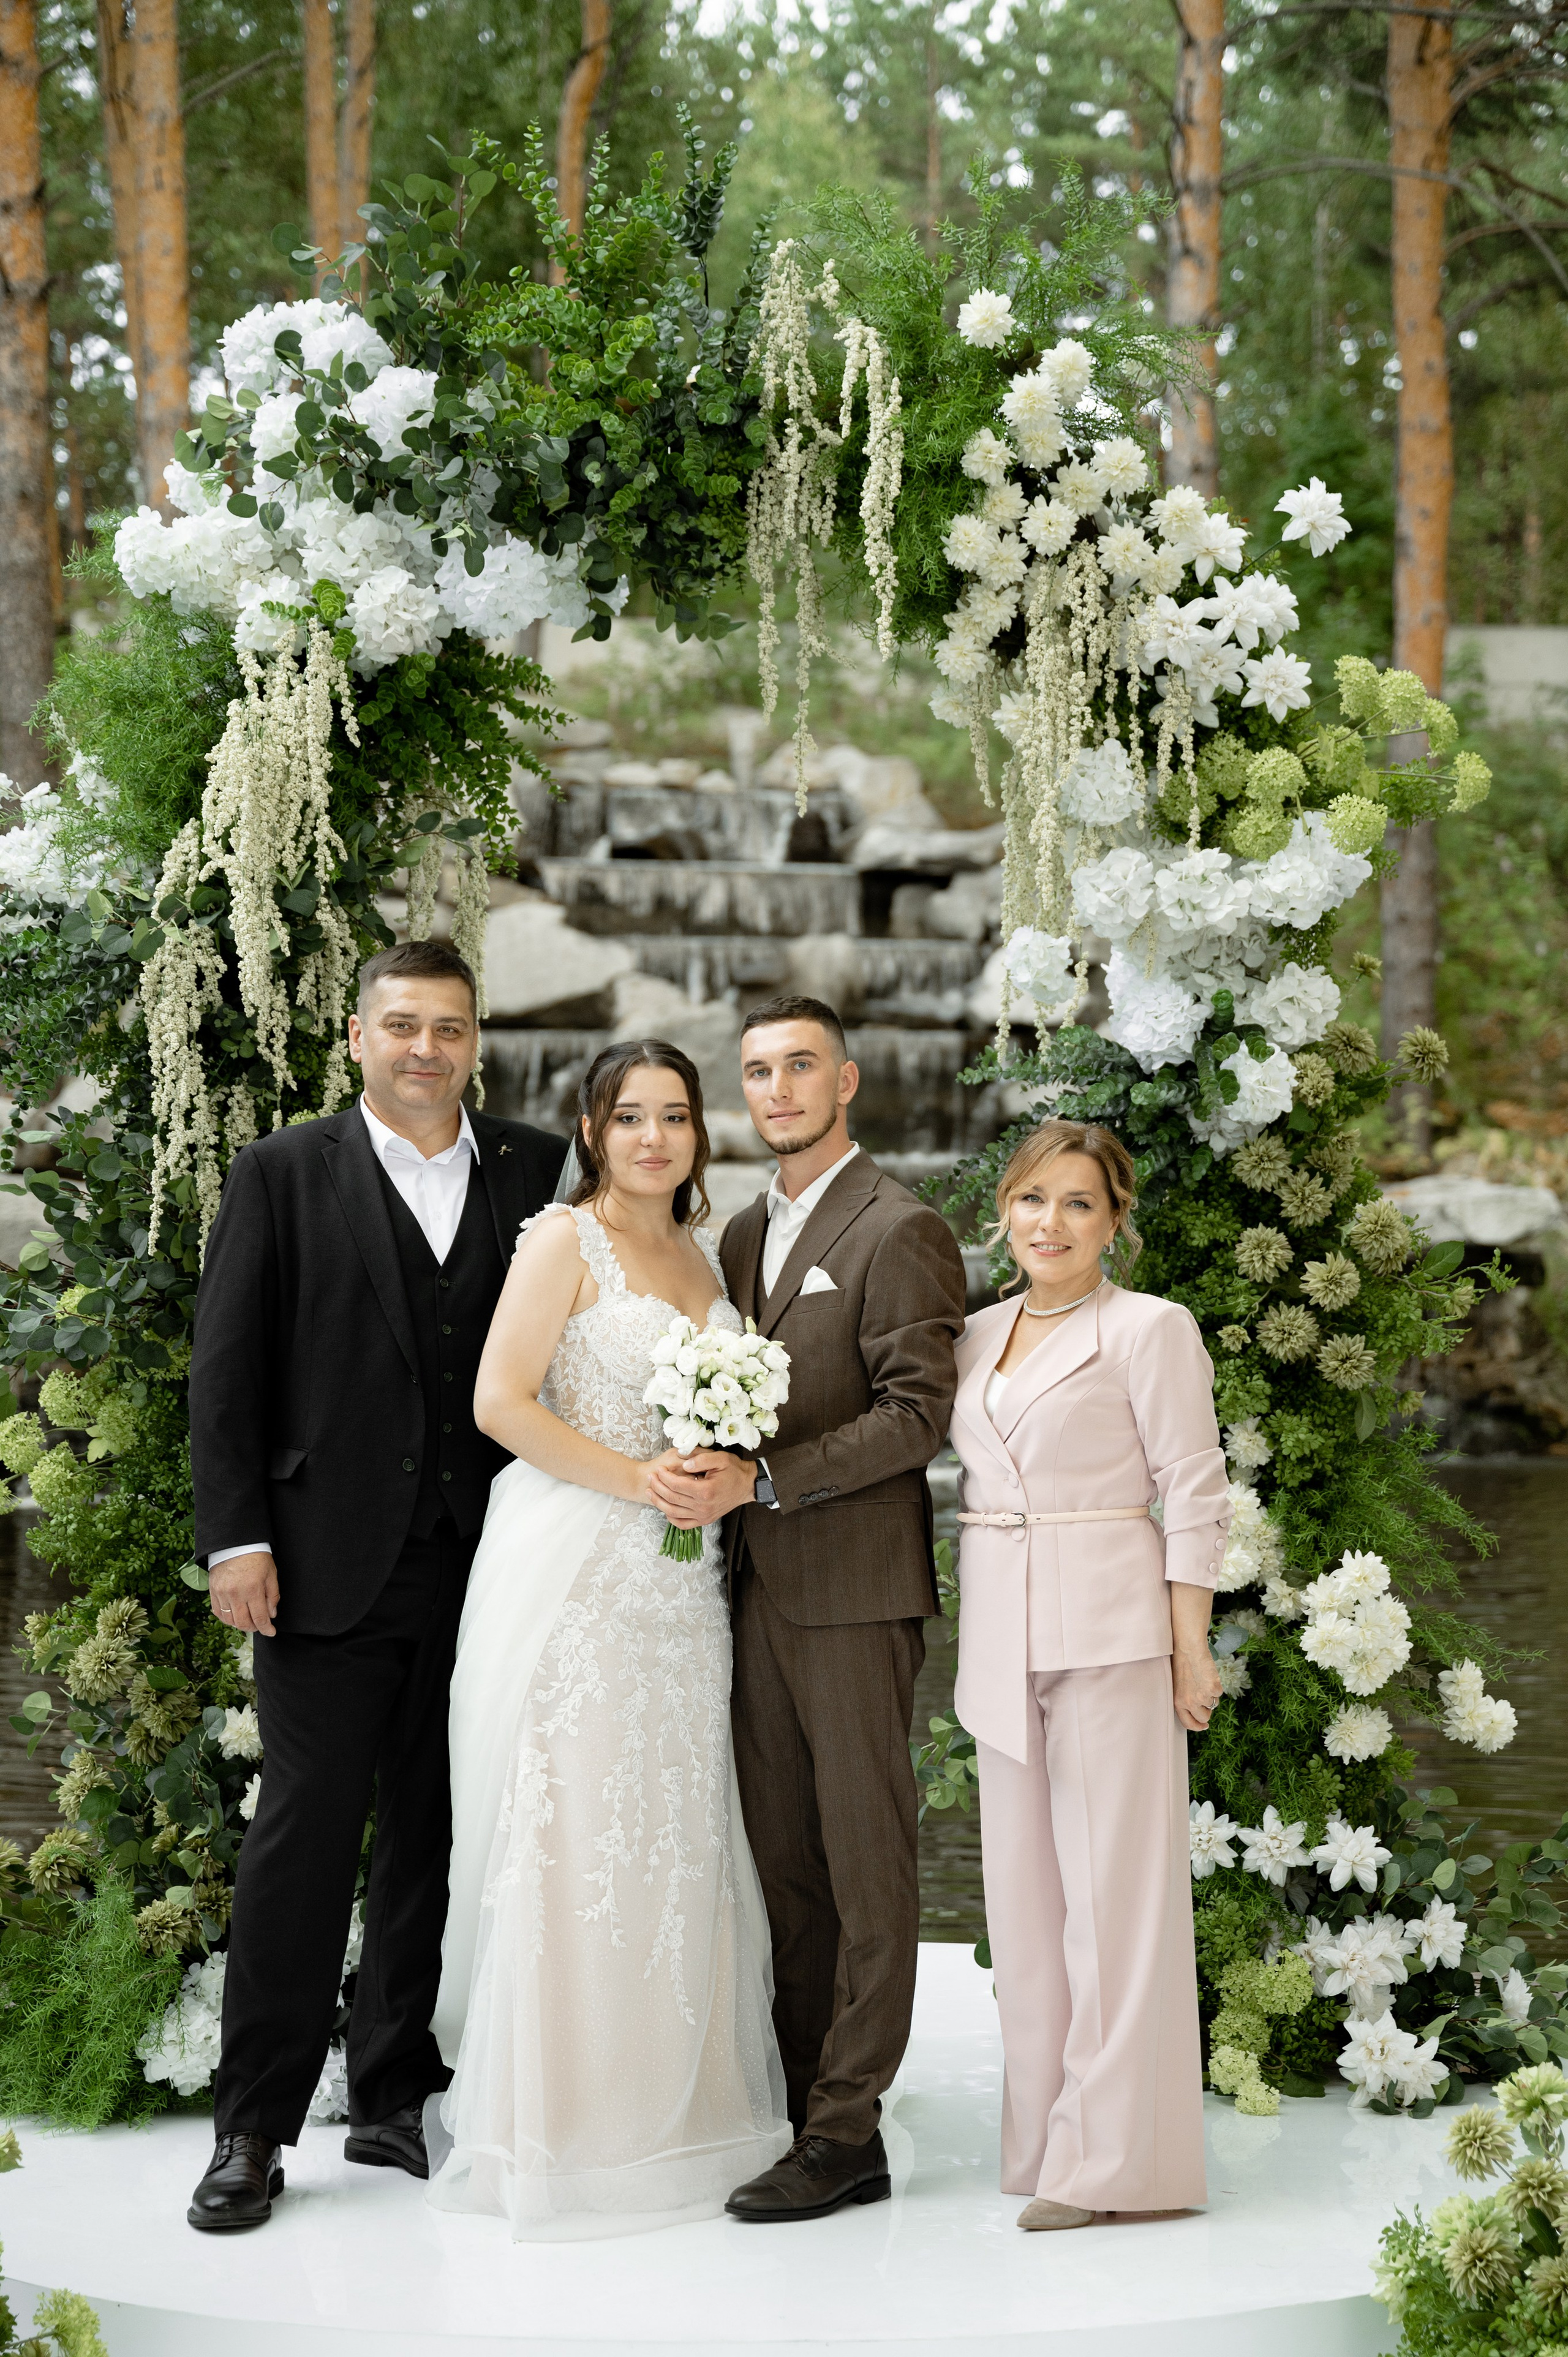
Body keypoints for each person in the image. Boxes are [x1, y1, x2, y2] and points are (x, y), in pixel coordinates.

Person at [183, 940, 567, 2233]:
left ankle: (393, 2086)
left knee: (432, 1830)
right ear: (357, 1038)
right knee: (301, 1839)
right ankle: (252, 2126)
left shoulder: (531, 1168)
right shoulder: (286, 1170)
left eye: (447, 1028)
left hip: (490, 1563)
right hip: (320, 1564)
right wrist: (236, 1538)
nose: (424, 1048)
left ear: (475, 1041)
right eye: (400, 1025)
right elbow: (225, 1371)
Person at [426, 1039, 791, 2239]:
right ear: (590, 1128)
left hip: (680, 1594)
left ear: (697, 1133)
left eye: (674, 1116)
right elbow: (499, 1401)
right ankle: (563, 2130)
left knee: (673, 1822)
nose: (652, 1137)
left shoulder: (705, 1249)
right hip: (578, 1572)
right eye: (628, 1115)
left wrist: (719, 1470)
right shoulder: (559, 1241)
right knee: (575, 1826)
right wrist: (638, 1478)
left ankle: (681, 2114)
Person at [650, 995, 968, 2223]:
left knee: (866, 1858)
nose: (774, 1088)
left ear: (845, 1080)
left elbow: (913, 1414)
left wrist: (767, 1478)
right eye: (755, 1072)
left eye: (797, 1067)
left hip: (853, 1592)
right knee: (781, 1860)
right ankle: (795, 2104)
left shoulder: (900, 1228)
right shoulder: (734, 1235)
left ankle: (848, 2132)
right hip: (748, 1596)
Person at [948, 1119, 1229, 2231]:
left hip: (1112, 1634)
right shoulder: (975, 1336)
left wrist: (1191, 1646)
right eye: (1030, 1199)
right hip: (999, 1642)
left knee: (1115, 1908)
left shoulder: (1150, 1331)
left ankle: (1114, 2168)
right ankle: (1044, 2141)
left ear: (1115, 1222)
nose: (1049, 1223)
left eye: (1076, 1203)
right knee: (1025, 1905)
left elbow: (1194, 1489)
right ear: (1003, 1211)